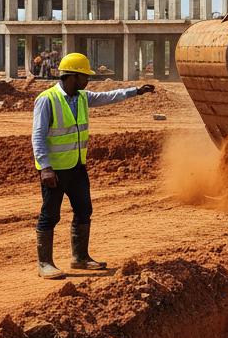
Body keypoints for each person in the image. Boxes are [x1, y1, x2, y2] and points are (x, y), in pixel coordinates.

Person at [32, 52, 155, 278]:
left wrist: (135, 91)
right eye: (85, 76)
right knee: (50, 215)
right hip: (55, 171)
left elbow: (108, 96)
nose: (88, 80)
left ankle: (80, 258)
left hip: (77, 167)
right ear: (73, 76)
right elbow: (38, 136)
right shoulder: (47, 99)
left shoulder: (82, 97)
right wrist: (45, 168)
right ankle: (45, 264)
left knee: (84, 210)